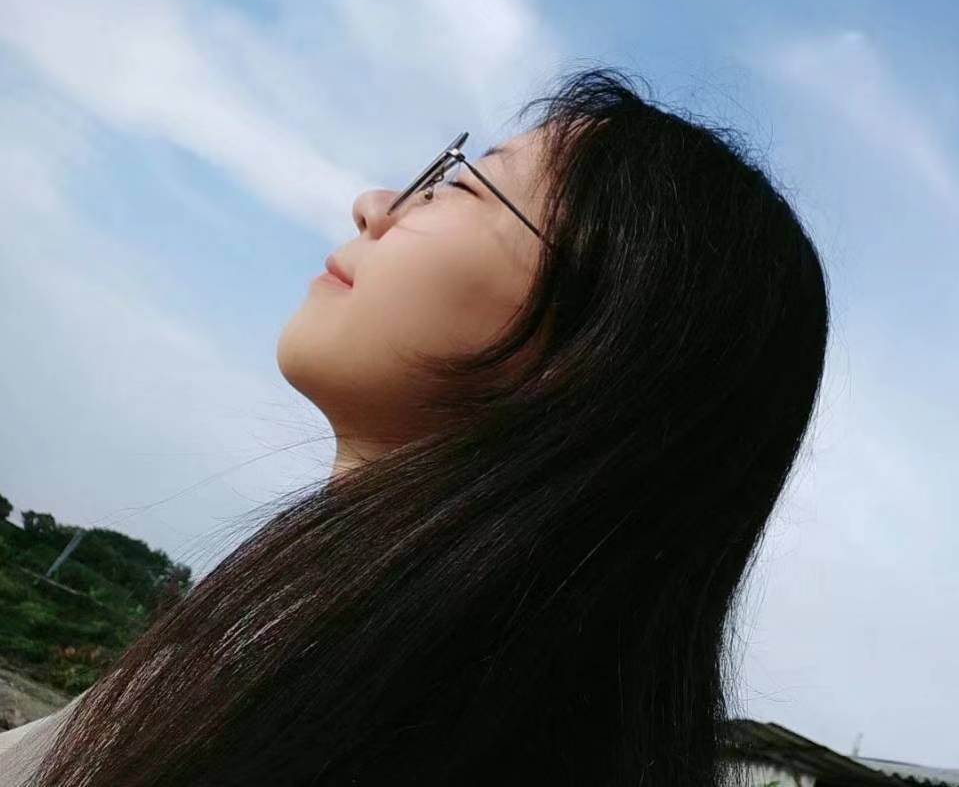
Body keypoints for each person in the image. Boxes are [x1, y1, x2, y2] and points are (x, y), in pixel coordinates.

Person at [4, 66, 830, 786]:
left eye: (461, 185)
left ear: (601, 348)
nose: (373, 205)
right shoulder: (310, 647)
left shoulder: (372, 723)